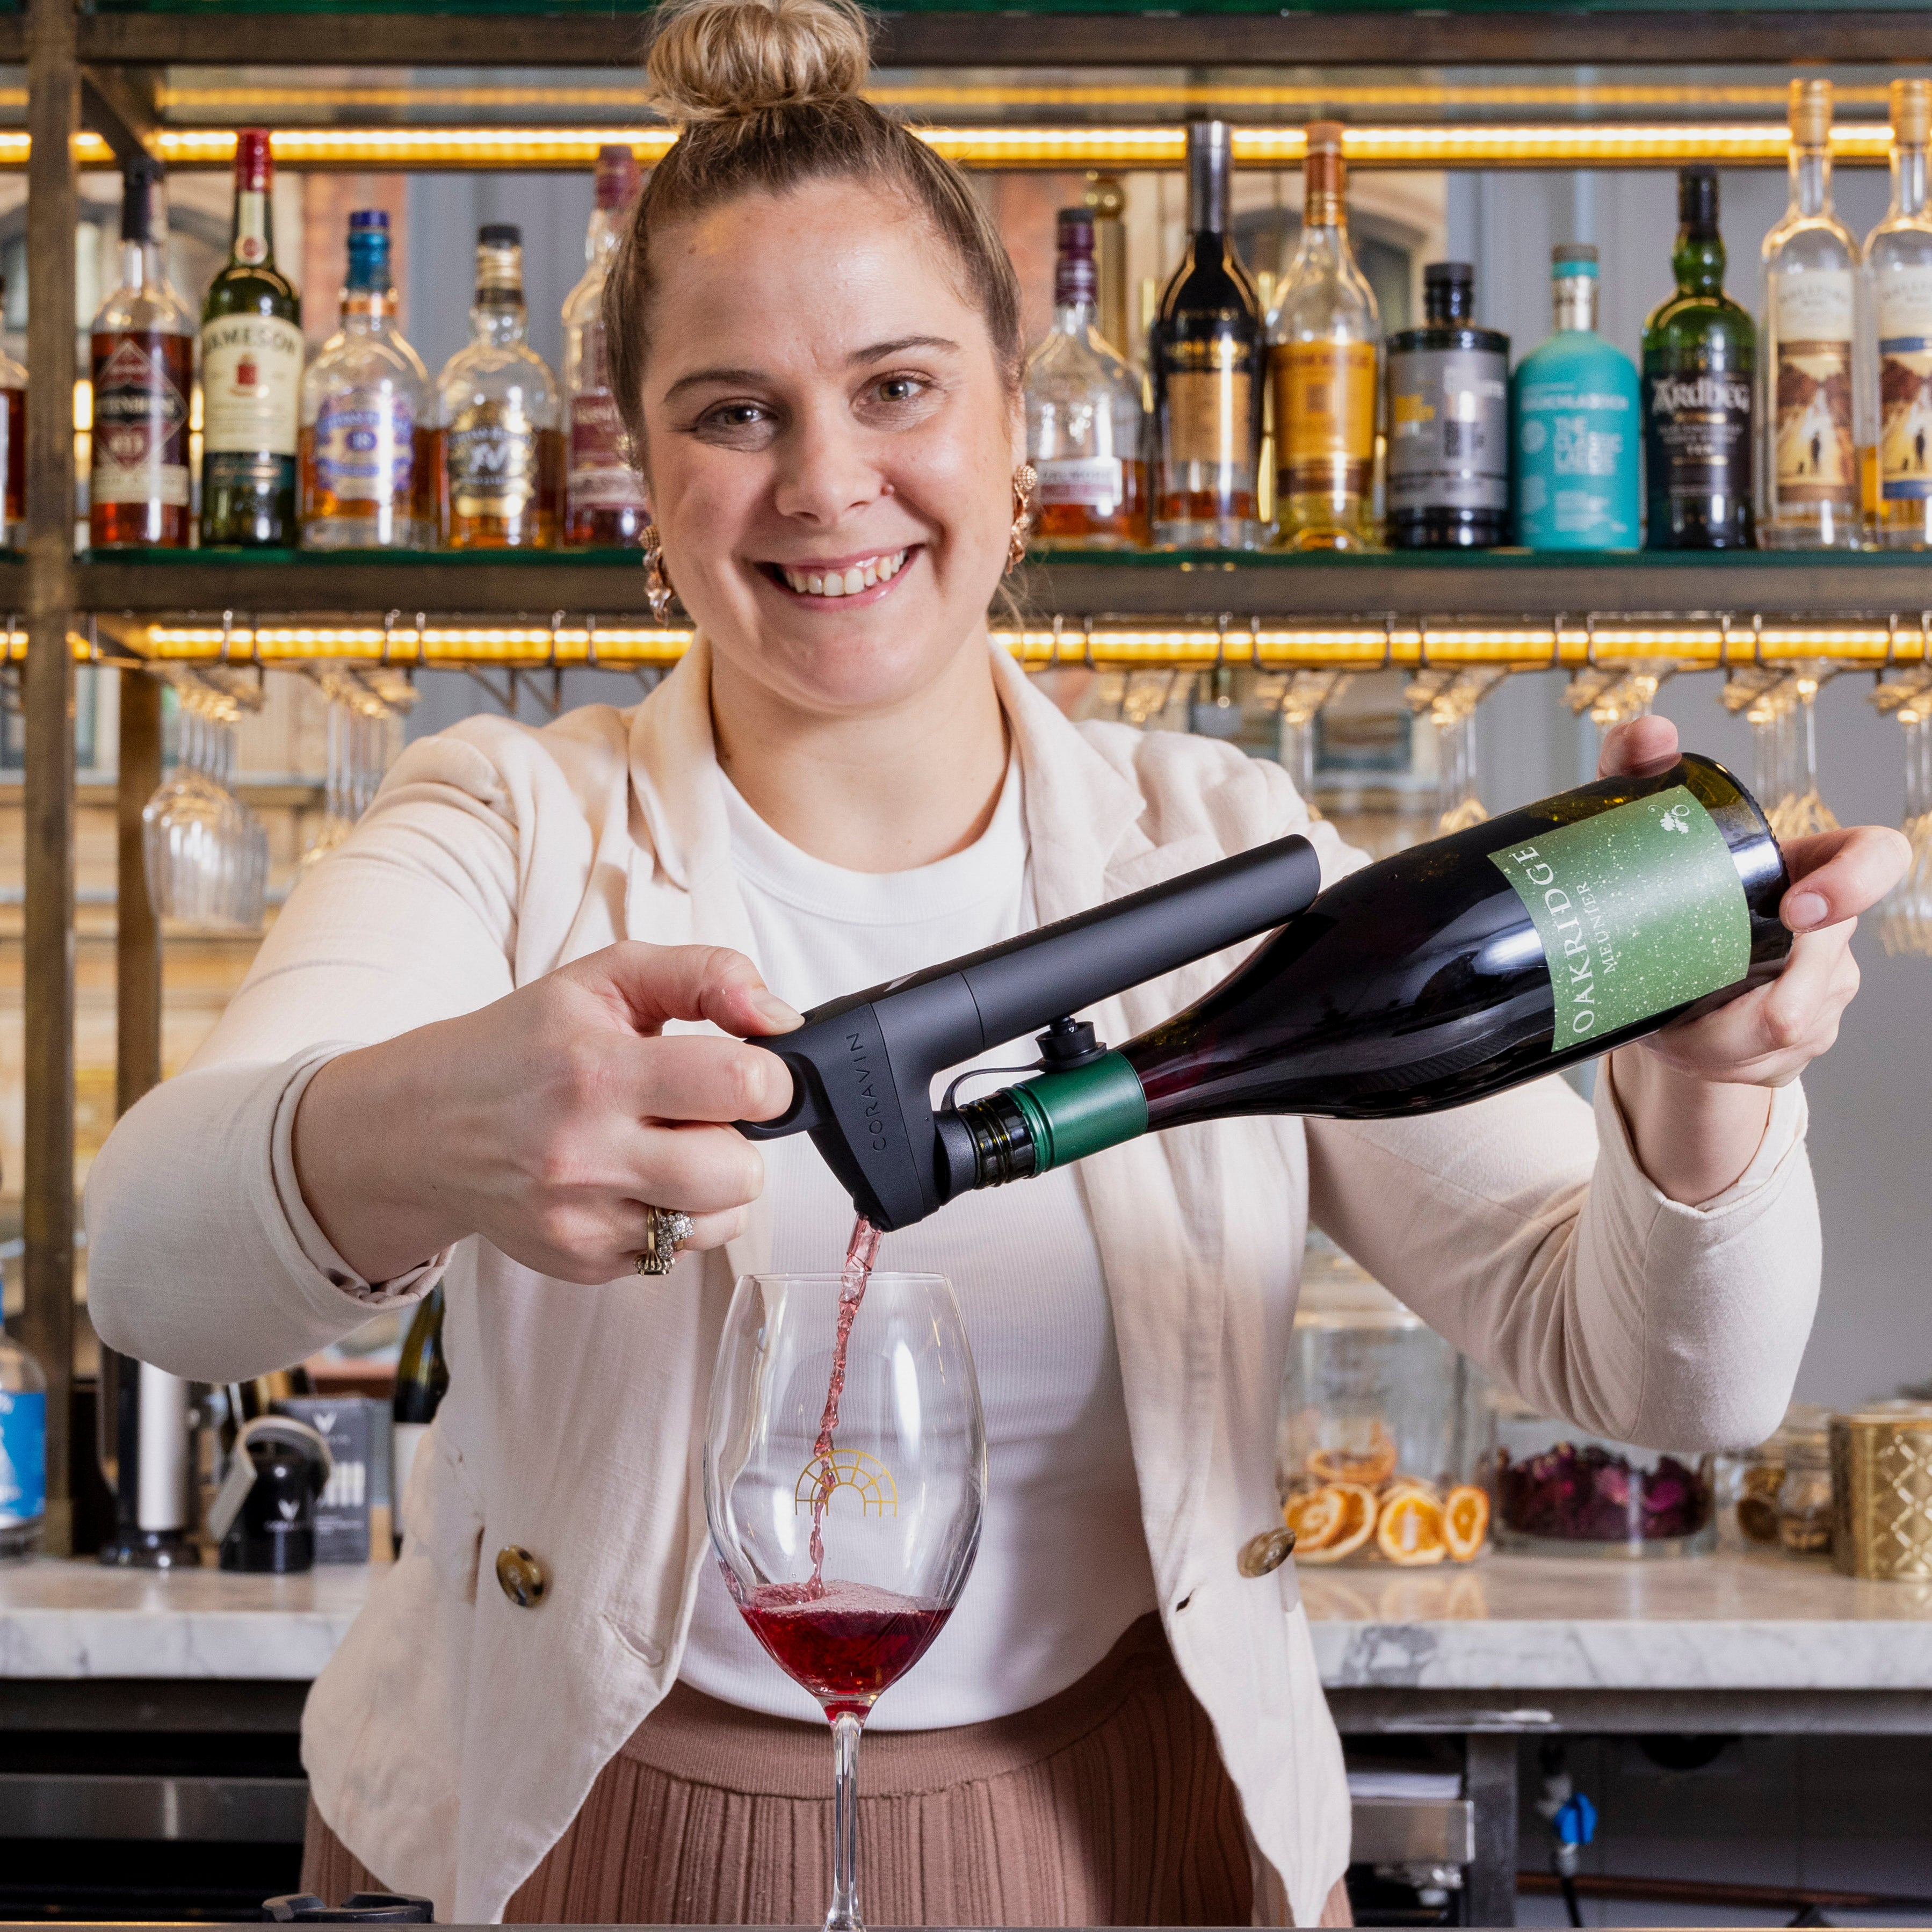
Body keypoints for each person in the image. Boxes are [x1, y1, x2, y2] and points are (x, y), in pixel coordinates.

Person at [86, 2, 1906, 1922]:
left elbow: (1656, 1372)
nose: (823, 483)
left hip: (1114, 1841)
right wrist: (429, 1128)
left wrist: (1711, 1096)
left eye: (894, 388)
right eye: (734, 410)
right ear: (641, 466)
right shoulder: (509, 829)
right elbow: (154, 1260)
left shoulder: (1229, 847)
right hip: (568, 1825)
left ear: (1015, 426)